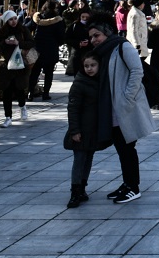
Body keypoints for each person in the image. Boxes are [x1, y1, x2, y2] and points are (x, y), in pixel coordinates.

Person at [87, 17, 156, 204]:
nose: (94, 40)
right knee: (122, 148)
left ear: (107, 33)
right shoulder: (102, 52)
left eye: (97, 35)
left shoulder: (122, 47)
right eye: (91, 36)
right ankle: (127, 184)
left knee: (127, 148)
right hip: (112, 107)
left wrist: (127, 98)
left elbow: (137, 71)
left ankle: (133, 187)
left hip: (124, 108)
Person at [64, 51, 109, 208]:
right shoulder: (79, 83)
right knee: (79, 160)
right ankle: (75, 191)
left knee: (88, 158)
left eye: (93, 65)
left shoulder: (101, 81)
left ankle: (82, 188)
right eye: (86, 66)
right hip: (81, 130)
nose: (89, 69)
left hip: (93, 130)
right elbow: (73, 108)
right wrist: (75, 130)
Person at [0, 9, 34, 126]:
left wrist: (19, 43)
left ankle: (23, 107)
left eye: (15, 18)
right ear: (6, 21)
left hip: (20, 65)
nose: (13, 21)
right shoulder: (2, 32)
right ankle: (8, 117)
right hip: (6, 66)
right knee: (6, 91)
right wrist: (5, 43)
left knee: (19, 89)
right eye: (10, 19)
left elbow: (32, 43)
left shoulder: (22, 29)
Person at [29, 1, 65, 100]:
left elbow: (27, 28)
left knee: (34, 72)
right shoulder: (58, 21)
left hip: (37, 49)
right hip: (51, 49)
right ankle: (46, 94)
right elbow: (61, 37)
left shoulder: (37, 18)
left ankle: (30, 93)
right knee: (49, 73)